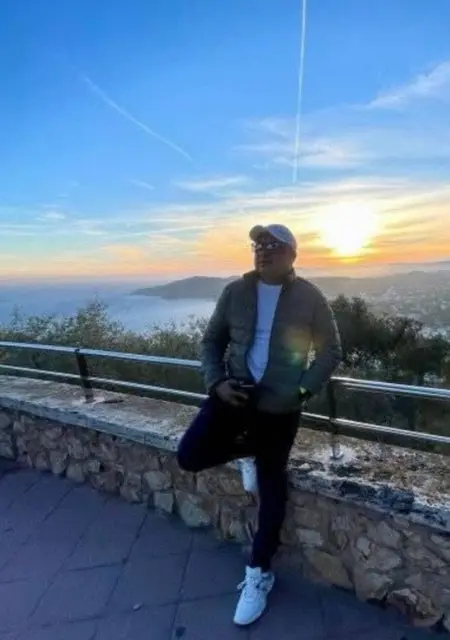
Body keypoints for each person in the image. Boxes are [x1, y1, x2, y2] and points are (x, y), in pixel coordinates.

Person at [177, 223, 342, 626]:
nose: (263, 250)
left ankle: (259, 572)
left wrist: (301, 391)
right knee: (189, 455)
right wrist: (216, 382)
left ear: (292, 254)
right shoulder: (235, 292)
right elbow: (211, 342)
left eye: (273, 244)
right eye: (258, 244)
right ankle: (249, 449)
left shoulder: (309, 296)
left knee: (272, 485)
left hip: (281, 408)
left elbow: (331, 351)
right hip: (233, 395)